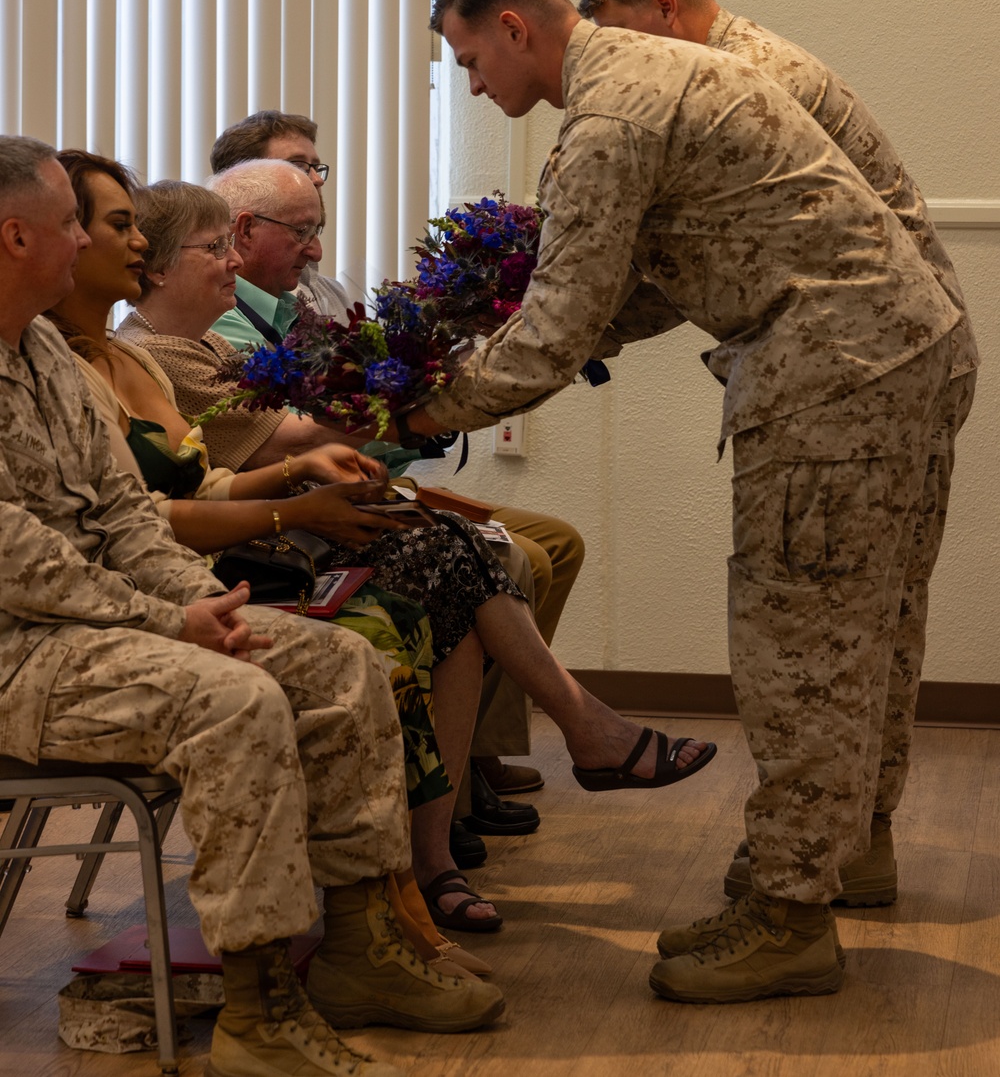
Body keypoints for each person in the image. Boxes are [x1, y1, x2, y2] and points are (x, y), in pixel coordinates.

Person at [395, 0, 961, 1005]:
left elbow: (563, 324)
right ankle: (840, 853)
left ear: (516, 28)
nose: (473, 84)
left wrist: (422, 404)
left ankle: (790, 916)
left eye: (472, 60)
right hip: (884, 357)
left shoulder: (610, 116)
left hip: (835, 379)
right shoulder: (666, 75)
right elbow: (654, 282)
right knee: (859, 632)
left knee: (800, 646)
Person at [0, 135, 505, 1077]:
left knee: (337, 662)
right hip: (20, 653)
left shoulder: (46, 356)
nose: (90, 244)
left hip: (99, 629)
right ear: (15, 235)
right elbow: (17, 559)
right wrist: (169, 624)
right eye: (72, 222)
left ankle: (359, 946)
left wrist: (205, 603)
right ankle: (257, 1006)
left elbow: (124, 513)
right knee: (232, 700)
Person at [113, 166, 716, 932]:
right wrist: (457, 374)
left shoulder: (199, 347)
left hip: (283, 529)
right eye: (214, 247)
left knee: (456, 571)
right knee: (453, 557)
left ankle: (444, 845)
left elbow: (301, 438)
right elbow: (302, 435)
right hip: (241, 564)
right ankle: (541, 764)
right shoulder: (169, 356)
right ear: (159, 266)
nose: (232, 261)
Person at [579, 0, 980, 909]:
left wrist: (579, 313)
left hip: (855, 375)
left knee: (816, 634)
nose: (630, 68)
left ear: (664, 6)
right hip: (918, 355)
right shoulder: (763, 63)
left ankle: (812, 865)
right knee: (874, 620)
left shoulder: (739, 79)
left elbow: (754, 247)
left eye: (628, 38)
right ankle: (860, 838)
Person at [209, 113, 587, 804]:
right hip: (312, 517)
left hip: (375, 485)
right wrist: (424, 413)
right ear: (241, 222)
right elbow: (313, 434)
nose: (316, 240)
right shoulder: (218, 318)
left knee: (552, 544)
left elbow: (358, 404)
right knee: (514, 559)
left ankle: (474, 755)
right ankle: (471, 770)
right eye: (299, 216)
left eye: (318, 174)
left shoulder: (313, 296)